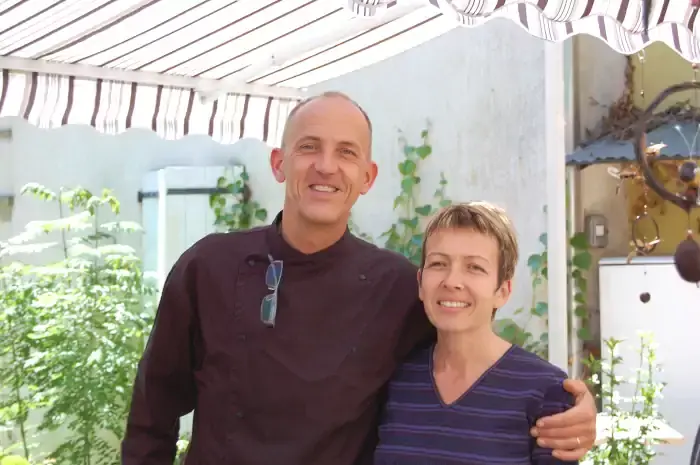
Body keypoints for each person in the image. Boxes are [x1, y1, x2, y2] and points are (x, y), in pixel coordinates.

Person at [121, 91, 597, 465]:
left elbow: (473, 349)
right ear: (279, 162)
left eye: (346, 153)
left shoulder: (396, 286)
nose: (326, 166)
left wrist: (573, 406)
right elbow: (151, 414)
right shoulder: (208, 267)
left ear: (367, 176)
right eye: (309, 147)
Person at [374, 202, 579, 464]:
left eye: (474, 267)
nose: (452, 281)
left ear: (502, 291)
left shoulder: (545, 391)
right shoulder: (397, 380)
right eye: (438, 263)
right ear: (420, 283)